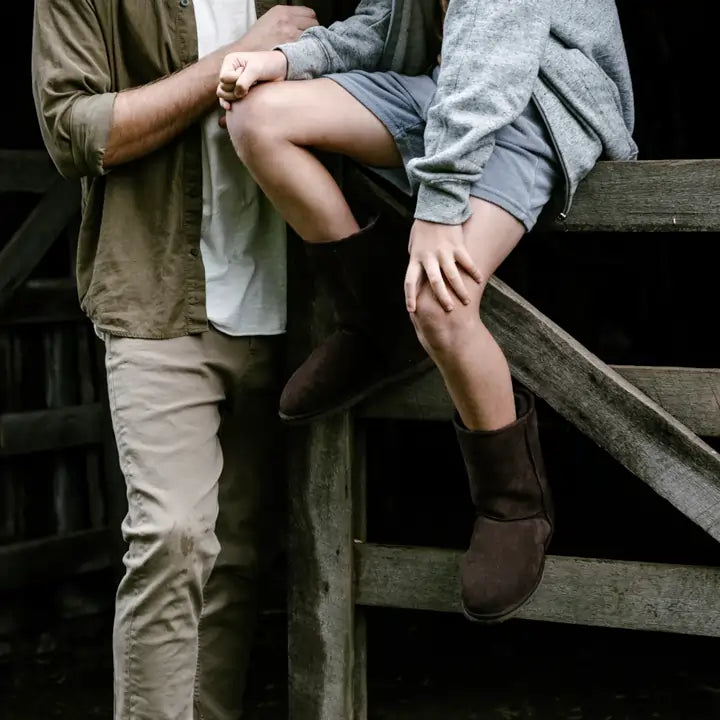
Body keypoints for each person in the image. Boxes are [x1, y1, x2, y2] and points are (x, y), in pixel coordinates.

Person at [216, 0, 637, 622]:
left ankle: (513, 502)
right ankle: (377, 323)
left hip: (536, 104)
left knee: (439, 301)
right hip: (446, 93)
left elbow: (493, 58)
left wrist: (438, 207)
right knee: (257, 118)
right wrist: (282, 59)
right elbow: (385, 26)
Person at [31, 2, 319, 718]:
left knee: (237, 557)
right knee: (173, 537)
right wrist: (232, 62)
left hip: (287, 301)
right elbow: (73, 130)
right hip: (158, 293)